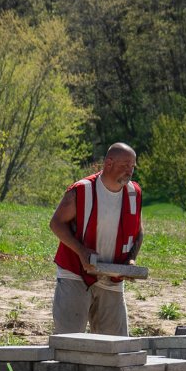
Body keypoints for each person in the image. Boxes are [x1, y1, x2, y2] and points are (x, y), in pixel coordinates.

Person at [49, 143, 143, 336]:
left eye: (132, 166)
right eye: (125, 165)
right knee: (69, 341)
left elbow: (138, 231)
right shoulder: (82, 190)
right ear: (109, 163)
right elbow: (56, 223)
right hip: (75, 274)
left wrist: (130, 260)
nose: (130, 171)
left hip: (112, 276)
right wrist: (81, 251)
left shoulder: (134, 193)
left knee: (115, 346)